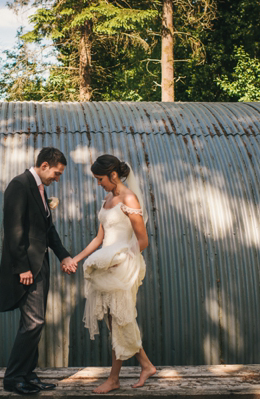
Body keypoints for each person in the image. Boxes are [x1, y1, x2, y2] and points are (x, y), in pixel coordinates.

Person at [0, 147, 78, 395]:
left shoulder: (41, 190)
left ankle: (28, 375)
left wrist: (63, 255)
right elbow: (14, 229)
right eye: (56, 172)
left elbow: (47, 229)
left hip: (40, 265)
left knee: (35, 323)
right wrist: (22, 267)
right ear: (43, 166)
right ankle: (13, 378)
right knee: (33, 322)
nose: (57, 178)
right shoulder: (19, 185)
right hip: (27, 267)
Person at [72, 154, 156, 394]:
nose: (99, 183)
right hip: (106, 265)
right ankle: (146, 365)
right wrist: (76, 259)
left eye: (100, 179)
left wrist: (119, 260)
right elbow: (99, 238)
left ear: (114, 175)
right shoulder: (107, 198)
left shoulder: (129, 198)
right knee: (115, 319)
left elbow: (142, 241)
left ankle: (114, 379)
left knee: (119, 318)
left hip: (123, 266)